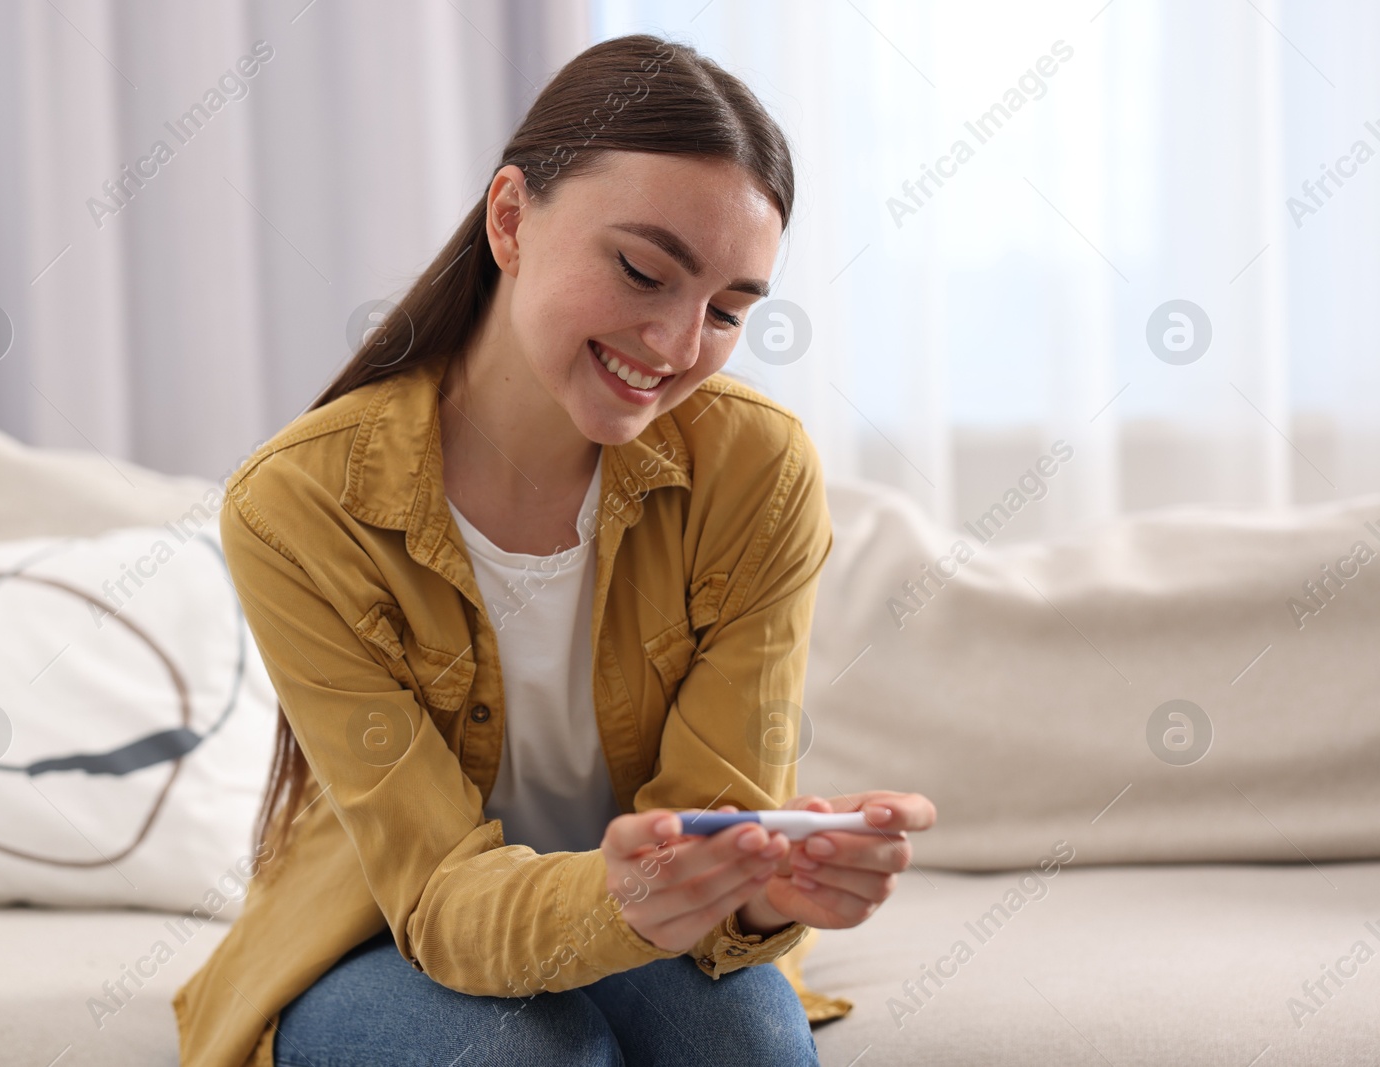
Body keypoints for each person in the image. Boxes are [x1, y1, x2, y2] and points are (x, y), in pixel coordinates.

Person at [173, 32, 936, 1067]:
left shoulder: (756, 472)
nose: (674, 346)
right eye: (640, 270)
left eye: (724, 311)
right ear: (508, 219)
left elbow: (716, 821)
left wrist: (758, 894)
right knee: (530, 1056)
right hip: (382, 933)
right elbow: (437, 895)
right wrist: (614, 892)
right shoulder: (296, 505)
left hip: (654, 926)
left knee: (745, 1048)